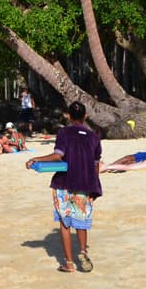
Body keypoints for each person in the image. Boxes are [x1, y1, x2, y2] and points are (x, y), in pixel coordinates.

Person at [26, 101, 101, 273]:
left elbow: (58, 155)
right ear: (85, 116)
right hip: (85, 185)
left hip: (64, 183)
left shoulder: (64, 133)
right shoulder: (94, 137)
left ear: (68, 116)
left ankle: (69, 263)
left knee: (65, 223)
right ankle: (83, 251)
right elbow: (96, 164)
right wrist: (94, 186)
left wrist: (36, 159)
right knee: (81, 222)